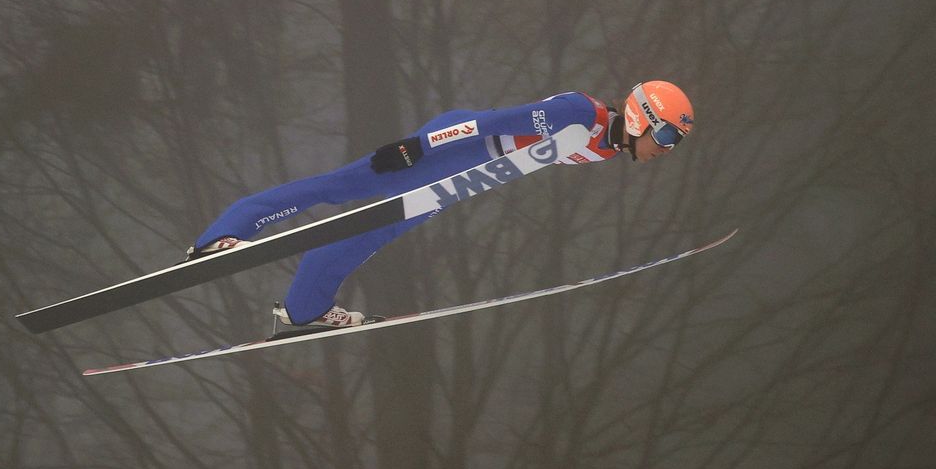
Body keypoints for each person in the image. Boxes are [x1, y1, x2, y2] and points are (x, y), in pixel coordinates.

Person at [186, 80, 695, 328]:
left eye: (675, 143)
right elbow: (492, 123)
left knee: (357, 215)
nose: (666, 149)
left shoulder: (607, 144)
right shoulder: (579, 115)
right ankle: (237, 243)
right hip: (455, 150)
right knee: (351, 203)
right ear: (640, 116)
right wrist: (421, 146)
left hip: (467, 170)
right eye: (667, 135)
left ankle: (300, 301)